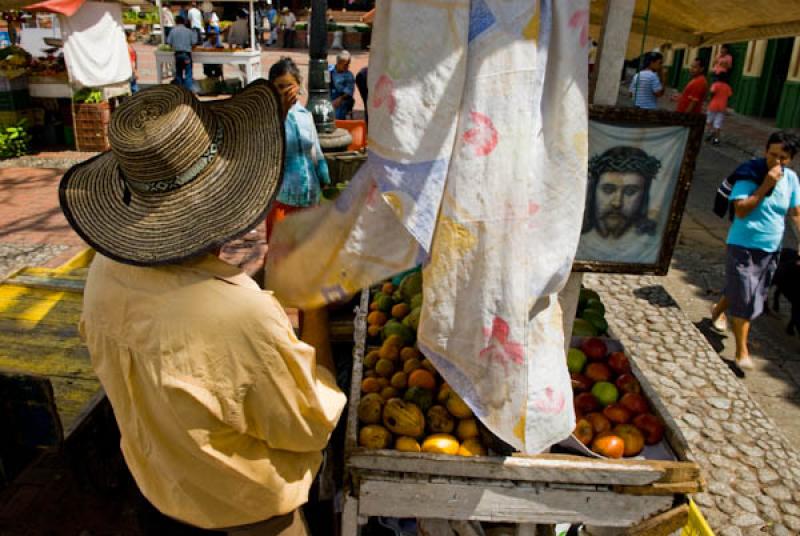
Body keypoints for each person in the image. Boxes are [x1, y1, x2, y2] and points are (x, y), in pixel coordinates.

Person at [59, 81, 346, 535]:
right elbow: (311, 422)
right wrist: (316, 308)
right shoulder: (237, 314)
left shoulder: (106, 273)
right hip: (249, 520)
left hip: (159, 499)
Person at [711, 132, 800, 370]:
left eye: (783, 157)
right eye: (772, 154)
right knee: (747, 297)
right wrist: (766, 185)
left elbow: (795, 213)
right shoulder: (750, 173)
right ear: (765, 151)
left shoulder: (791, 179)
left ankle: (718, 310)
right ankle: (741, 350)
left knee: (747, 290)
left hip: (771, 248)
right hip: (742, 244)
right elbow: (741, 210)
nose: (776, 161)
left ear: (791, 159)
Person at [266, 57, 331, 241]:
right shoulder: (267, 116)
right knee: (280, 252)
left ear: (298, 85)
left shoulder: (305, 115)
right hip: (281, 198)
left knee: (306, 253)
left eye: (289, 85)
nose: (285, 91)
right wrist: (283, 111)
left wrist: (324, 175)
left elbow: (315, 151)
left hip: (310, 196)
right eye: (279, 87)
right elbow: (269, 149)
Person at [576, 146, 662, 264]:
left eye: (630, 192)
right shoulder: (573, 238)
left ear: (644, 197)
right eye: (608, 190)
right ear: (593, 190)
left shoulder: (650, 245)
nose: (617, 203)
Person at [166, 15, 197, 91]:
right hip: (186, 55)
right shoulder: (189, 31)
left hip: (177, 55)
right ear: (183, 22)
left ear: (176, 22)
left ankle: (179, 91)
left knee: (178, 73)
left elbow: (169, 42)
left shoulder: (173, 31)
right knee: (188, 74)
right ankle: (188, 91)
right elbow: (194, 42)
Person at [329, 50, 355, 120]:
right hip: (329, 95)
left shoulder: (349, 76)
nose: (347, 67)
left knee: (337, 114)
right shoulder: (329, 70)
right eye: (345, 65)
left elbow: (348, 92)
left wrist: (338, 100)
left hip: (341, 98)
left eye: (348, 64)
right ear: (338, 63)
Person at [707, 77, 733, 145]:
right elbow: (729, 95)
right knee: (718, 124)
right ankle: (716, 139)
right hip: (722, 107)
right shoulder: (728, 87)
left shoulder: (715, 84)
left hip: (713, 105)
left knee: (709, 121)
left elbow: (712, 92)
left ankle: (710, 133)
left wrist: (710, 98)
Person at [126, 29, 139, 93]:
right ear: (127, 37)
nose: (135, 37)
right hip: (131, 72)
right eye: (133, 36)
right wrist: (135, 72)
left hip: (128, 72)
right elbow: (131, 61)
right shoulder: (129, 48)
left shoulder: (127, 46)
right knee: (135, 90)